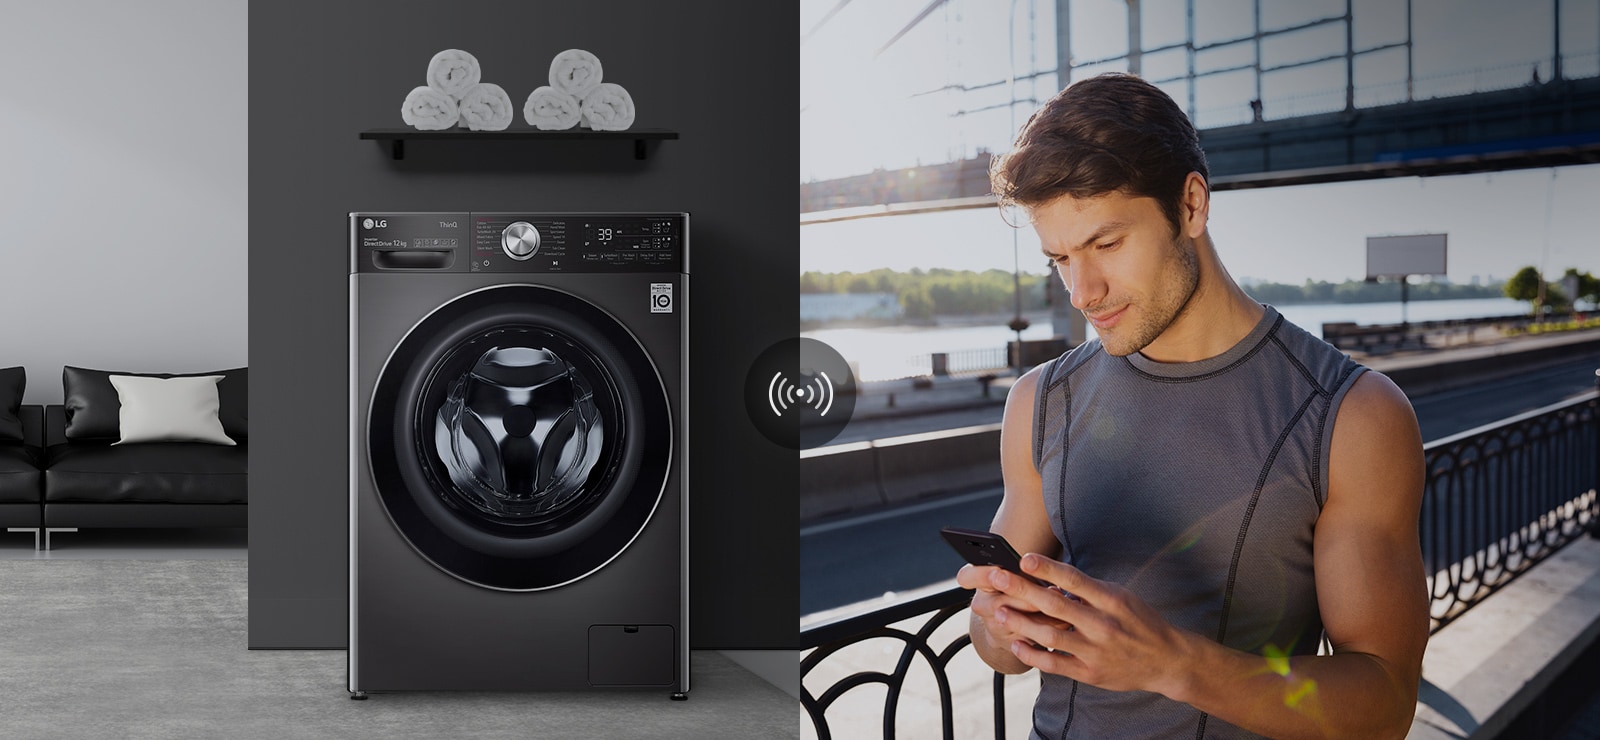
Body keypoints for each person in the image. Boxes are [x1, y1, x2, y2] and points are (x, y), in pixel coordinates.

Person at [954, 73, 1428, 739]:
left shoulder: (1352, 415)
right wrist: (1004, 622)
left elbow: (1384, 704)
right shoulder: (1039, 399)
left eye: (1106, 244)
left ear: (1192, 206)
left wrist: (1174, 664)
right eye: (1060, 258)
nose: (1082, 292)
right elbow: (993, 643)